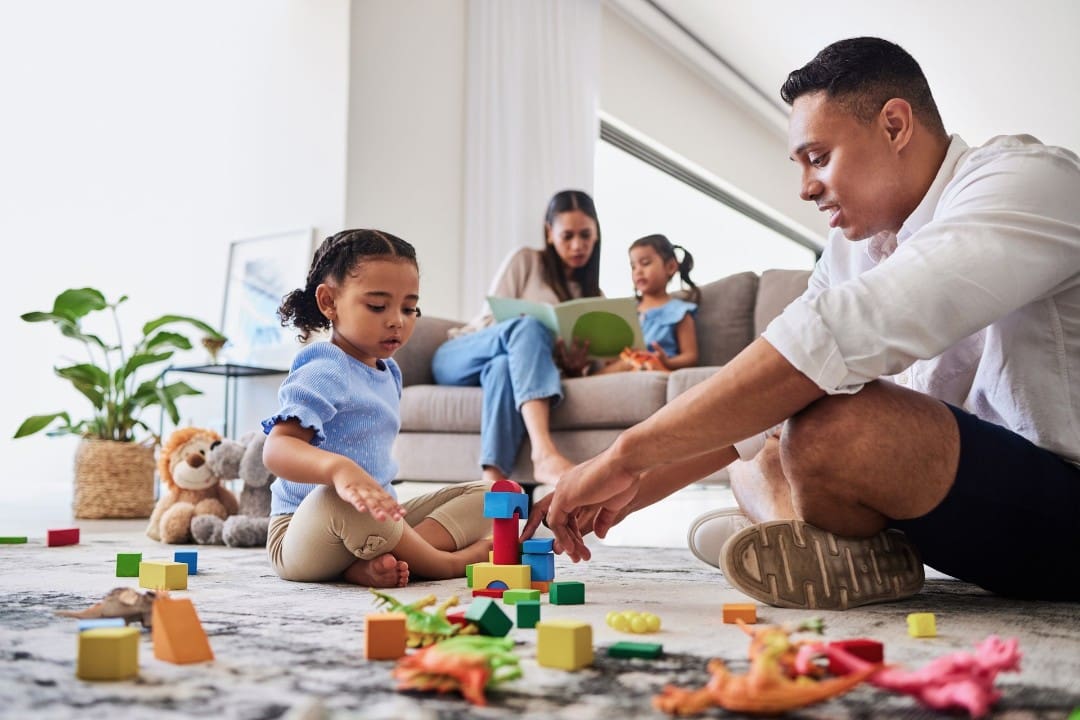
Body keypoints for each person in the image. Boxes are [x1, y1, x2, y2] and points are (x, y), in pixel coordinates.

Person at [527, 36, 1080, 608]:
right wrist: (621, 491)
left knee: (831, 426)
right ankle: (809, 540)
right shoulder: (855, 245)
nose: (805, 188)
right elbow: (762, 400)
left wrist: (624, 454)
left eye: (818, 158)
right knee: (758, 453)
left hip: (1063, 503)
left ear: (894, 125)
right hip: (962, 498)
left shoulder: (1026, 182)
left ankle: (787, 530)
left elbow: (829, 340)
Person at [262, 228, 493, 588]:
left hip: (374, 522)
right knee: (346, 501)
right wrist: (338, 470)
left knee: (490, 496)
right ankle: (442, 564)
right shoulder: (325, 366)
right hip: (301, 533)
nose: (396, 320)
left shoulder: (390, 372)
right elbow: (276, 450)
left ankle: (371, 562)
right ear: (329, 302)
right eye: (377, 306)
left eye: (409, 307)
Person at [432, 189, 602, 487]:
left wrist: (571, 365)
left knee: (502, 368)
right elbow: (489, 317)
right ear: (550, 233)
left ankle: (491, 486)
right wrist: (529, 329)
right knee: (528, 327)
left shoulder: (594, 297)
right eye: (568, 236)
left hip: (501, 368)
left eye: (586, 235)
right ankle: (543, 453)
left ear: (597, 234)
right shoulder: (527, 261)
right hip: (461, 356)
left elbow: (534, 367)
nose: (578, 245)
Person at [597, 234, 700, 373]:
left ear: (670, 267)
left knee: (646, 364)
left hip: (656, 366)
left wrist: (667, 361)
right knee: (603, 372)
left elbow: (690, 356)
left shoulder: (679, 312)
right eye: (633, 266)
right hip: (628, 364)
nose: (638, 271)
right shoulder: (629, 311)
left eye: (645, 263)